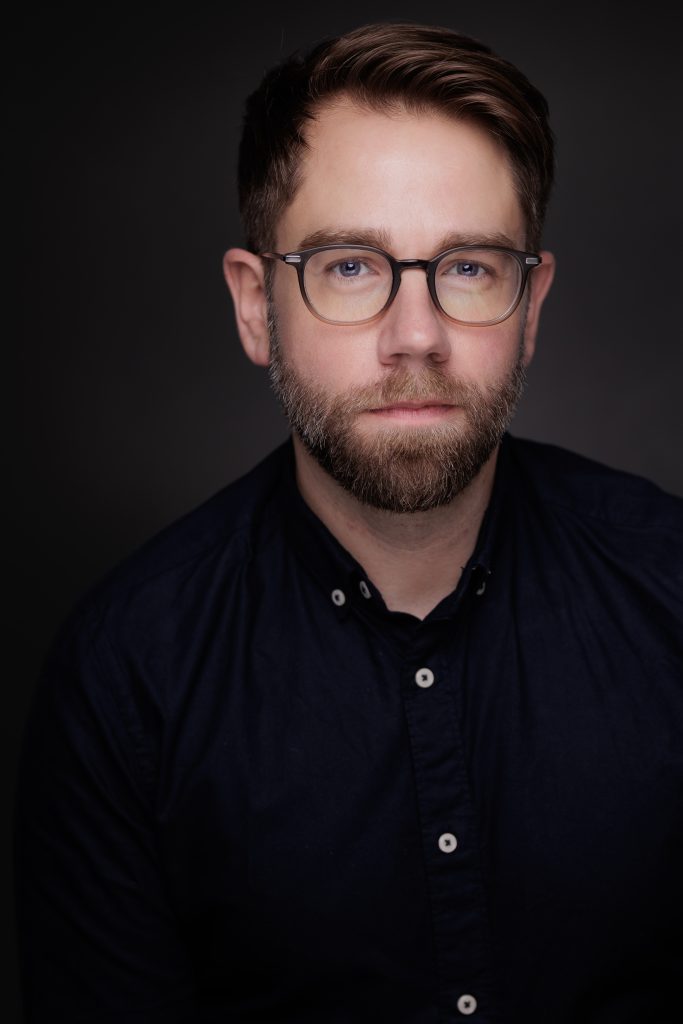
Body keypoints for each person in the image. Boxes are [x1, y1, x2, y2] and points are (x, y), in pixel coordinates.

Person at [15, 21, 683, 1024]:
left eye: (468, 267)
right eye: (349, 266)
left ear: (530, 306)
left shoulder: (670, 586)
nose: (415, 337)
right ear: (256, 307)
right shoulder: (126, 677)